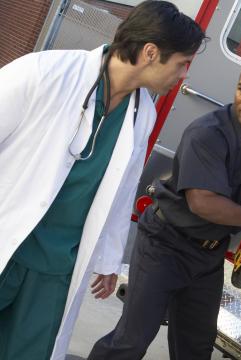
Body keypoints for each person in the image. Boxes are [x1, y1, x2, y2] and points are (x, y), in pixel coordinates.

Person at [0, 2, 205, 359]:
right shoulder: (44, 73)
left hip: (56, 268)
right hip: (8, 239)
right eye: (182, 64)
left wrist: (109, 261)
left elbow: (121, 192)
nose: (184, 74)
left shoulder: (142, 113)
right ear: (151, 53)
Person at [88, 60, 241, 360]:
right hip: (166, 245)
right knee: (132, 340)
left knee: (195, 347)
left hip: (208, 256)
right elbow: (204, 202)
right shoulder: (207, 133)